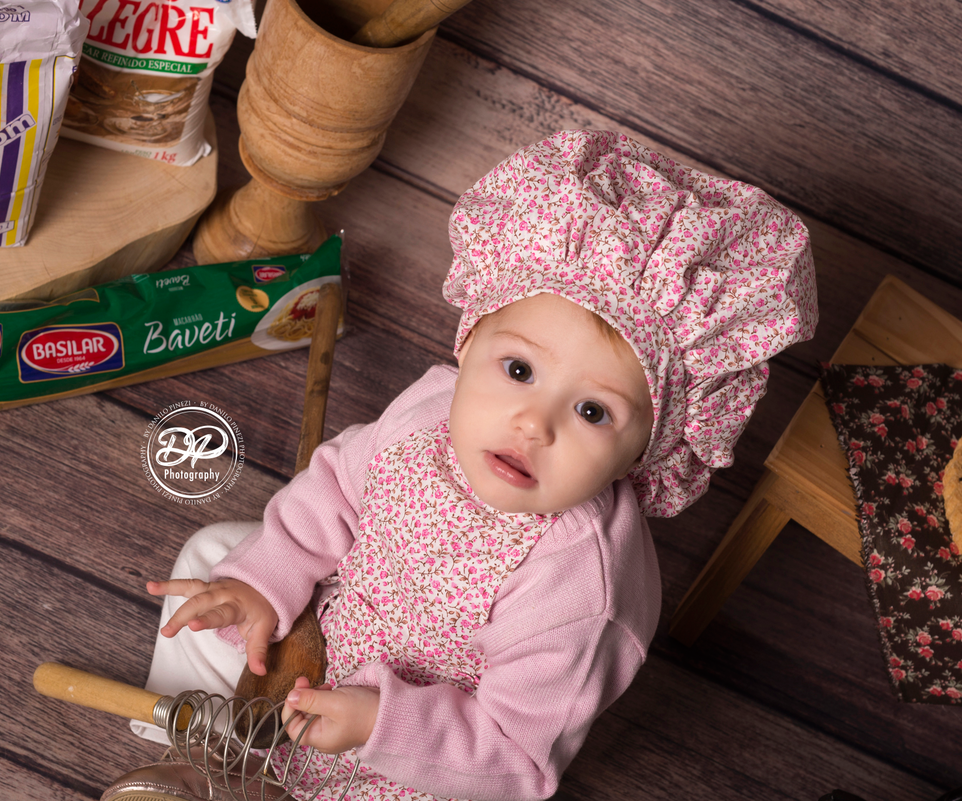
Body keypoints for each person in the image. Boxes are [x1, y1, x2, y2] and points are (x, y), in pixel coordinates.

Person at [129, 129, 818, 801]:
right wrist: (264, 583)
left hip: (424, 742)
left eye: (592, 412)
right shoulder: (432, 409)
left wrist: (377, 721)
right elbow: (339, 485)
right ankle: (198, 755)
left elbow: (516, 755)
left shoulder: (583, 588)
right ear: (470, 339)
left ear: (651, 449)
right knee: (216, 560)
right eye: (518, 369)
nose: (534, 423)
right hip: (330, 629)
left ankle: (267, 771)